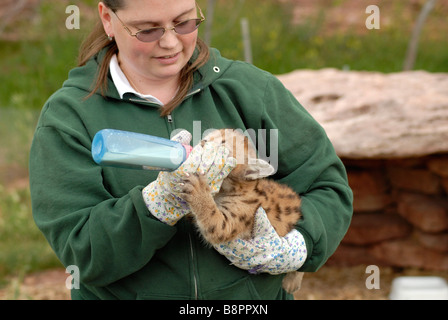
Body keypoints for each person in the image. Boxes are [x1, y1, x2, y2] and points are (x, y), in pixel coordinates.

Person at [29, 0, 353, 300]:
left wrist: (298, 245)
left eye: (184, 23)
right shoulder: (70, 118)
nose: (170, 42)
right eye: (148, 29)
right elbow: (82, 252)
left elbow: (326, 185)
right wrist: (156, 205)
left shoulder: (251, 91)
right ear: (107, 19)